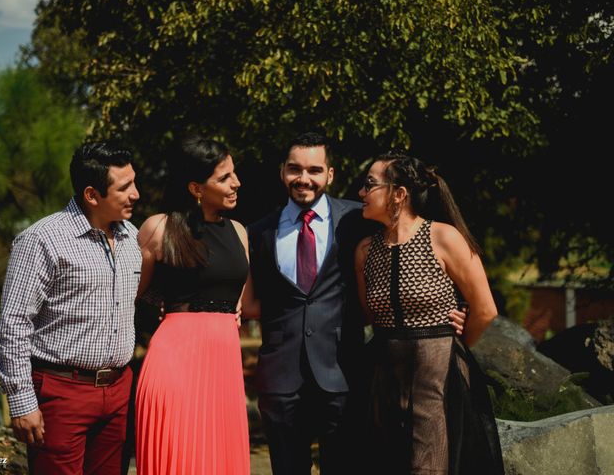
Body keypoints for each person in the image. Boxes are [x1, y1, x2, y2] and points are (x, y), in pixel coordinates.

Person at [246, 133, 467, 475]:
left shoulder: (357, 220)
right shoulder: (258, 232)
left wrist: (451, 309)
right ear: (282, 172)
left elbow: (406, 251)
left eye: (314, 170)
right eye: (294, 169)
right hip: (281, 380)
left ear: (330, 175)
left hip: (343, 374)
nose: (304, 178)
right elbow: (248, 296)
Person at [0, 142, 142, 474]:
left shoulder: (132, 237)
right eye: (125, 187)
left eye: (134, 182)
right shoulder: (41, 240)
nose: (136, 194)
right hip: (61, 395)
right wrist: (21, 402)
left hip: (119, 393)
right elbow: (13, 325)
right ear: (92, 195)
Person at [354, 150, 505, 474]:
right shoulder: (365, 250)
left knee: (431, 462)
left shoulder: (444, 237)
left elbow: (485, 309)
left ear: (399, 194)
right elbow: (368, 313)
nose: (361, 194)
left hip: (436, 373)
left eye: (370, 185)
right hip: (384, 375)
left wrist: (458, 340)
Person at [135, 137, 250, 475]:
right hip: (173, 367)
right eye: (224, 177)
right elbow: (130, 297)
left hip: (225, 371)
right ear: (196, 187)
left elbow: (236, 300)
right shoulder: (159, 228)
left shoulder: (240, 232)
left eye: (234, 173)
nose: (236, 182)